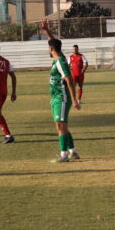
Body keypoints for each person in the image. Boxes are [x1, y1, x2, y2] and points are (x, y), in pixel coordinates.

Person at [40, 20, 82, 163]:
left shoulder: (61, 62)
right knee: (61, 125)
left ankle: (63, 155)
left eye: (49, 48)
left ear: (51, 49)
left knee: (60, 125)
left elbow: (69, 80)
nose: (48, 49)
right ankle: (73, 152)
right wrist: (47, 31)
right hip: (56, 97)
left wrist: (74, 99)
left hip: (61, 97)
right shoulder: (59, 58)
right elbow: (54, 43)